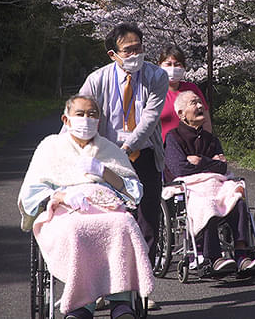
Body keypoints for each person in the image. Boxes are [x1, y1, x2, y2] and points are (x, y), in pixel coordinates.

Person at [17, 95, 154, 319]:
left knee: (125, 224)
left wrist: (104, 171)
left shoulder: (110, 149)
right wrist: (60, 196)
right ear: (66, 119)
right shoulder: (50, 147)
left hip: (107, 207)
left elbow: (134, 192)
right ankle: (82, 304)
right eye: (80, 114)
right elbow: (31, 193)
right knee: (77, 230)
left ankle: (121, 302)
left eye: (92, 115)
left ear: (99, 121)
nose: (86, 119)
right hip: (66, 211)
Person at [77, 23, 168, 309]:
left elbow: (151, 118)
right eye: (128, 50)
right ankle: (104, 285)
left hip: (143, 156)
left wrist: (127, 147)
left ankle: (141, 288)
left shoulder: (156, 76)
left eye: (138, 47)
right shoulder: (97, 80)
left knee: (147, 221)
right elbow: (81, 115)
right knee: (105, 220)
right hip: (105, 160)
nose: (135, 54)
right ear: (112, 54)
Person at [164, 90, 255, 276]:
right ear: (181, 114)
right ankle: (214, 257)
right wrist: (211, 162)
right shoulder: (173, 138)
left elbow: (222, 167)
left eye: (200, 103)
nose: (199, 106)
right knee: (207, 204)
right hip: (191, 189)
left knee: (237, 200)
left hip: (216, 185)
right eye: (193, 103)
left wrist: (200, 161)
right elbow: (180, 169)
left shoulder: (211, 139)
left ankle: (242, 255)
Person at [157, 45, 212, 140]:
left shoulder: (191, 89)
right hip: (161, 149)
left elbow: (205, 120)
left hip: (191, 147)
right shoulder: (153, 91)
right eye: (168, 64)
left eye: (177, 64)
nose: (173, 68)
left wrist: (204, 142)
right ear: (160, 65)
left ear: (183, 67)